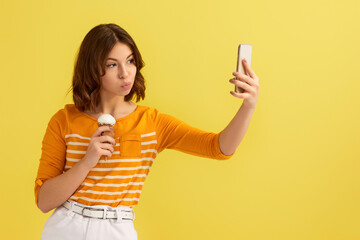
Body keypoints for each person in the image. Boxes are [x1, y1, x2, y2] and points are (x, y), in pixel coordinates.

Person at [35, 23, 259, 240]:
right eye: (112, 64)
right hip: (66, 228)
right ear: (92, 69)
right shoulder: (63, 120)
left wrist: (248, 106)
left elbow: (218, 147)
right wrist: (86, 162)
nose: (125, 73)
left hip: (117, 229)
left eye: (130, 61)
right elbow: (44, 201)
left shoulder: (152, 123)